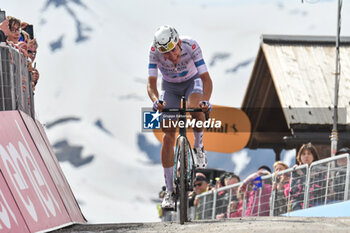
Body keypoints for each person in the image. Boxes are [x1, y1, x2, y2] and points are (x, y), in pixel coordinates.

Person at [147, 25, 213, 209]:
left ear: (179, 43)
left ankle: (199, 147)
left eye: (172, 51)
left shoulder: (191, 46)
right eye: (165, 54)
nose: (170, 57)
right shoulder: (154, 52)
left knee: (195, 107)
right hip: (169, 87)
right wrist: (155, 100)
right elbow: (151, 83)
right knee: (168, 136)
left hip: (192, 82)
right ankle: (169, 192)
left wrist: (205, 101)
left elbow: (206, 78)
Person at [289, 142, 323, 210]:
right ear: (300, 157)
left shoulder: (320, 171)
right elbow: (293, 192)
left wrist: (307, 176)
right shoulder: (296, 171)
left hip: (316, 207)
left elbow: (321, 190)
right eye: (303, 154)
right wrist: (305, 176)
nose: (306, 156)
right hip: (297, 207)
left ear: (314, 156)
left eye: (309, 153)